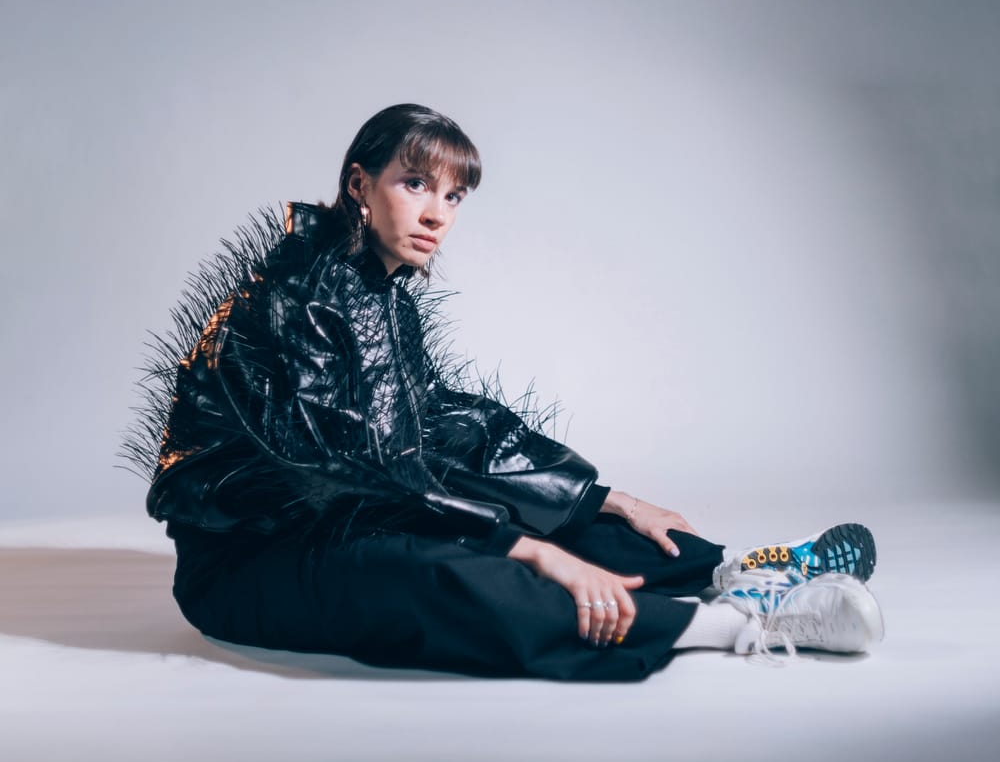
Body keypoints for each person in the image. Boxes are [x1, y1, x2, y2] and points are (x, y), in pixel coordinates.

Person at [126, 103, 883, 682]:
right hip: (252, 560)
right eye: (415, 184)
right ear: (360, 185)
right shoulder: (296, 296)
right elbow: (348, 470)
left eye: (454, 196)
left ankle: (733, 572)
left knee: (532, 514)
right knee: (439, 569)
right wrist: (529, 551)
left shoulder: (379, 293)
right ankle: (743, 625)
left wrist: (600, 499)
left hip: (350, 513)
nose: (436, 214)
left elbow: (447, 429)